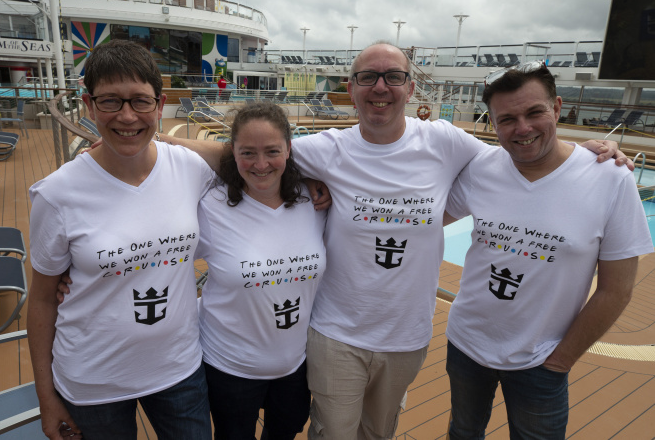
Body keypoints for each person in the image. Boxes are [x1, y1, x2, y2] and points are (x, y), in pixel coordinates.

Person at [158, 42, 631, 440]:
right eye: (367, 77)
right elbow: (246, 154)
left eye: (393, 76)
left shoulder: (448, 143)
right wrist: (154, 146)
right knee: (333, 431)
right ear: (351, 88)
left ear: (410, 87)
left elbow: (522, 151)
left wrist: (591, 154)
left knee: (378, 433)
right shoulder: (328, 149)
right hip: (335, 331)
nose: (380, 87)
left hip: (406, 337)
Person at [443, 62, 652, 439]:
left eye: (534, 112)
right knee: (463, 431)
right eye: (506, 119)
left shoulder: (609, 177)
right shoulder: (481, 168)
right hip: (466, 344)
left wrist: (560, 360)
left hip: (542, 360)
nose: (522, 128)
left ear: (556, 108)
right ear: (491, 124)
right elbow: (419, 218)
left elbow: (617, 289)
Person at [27, 40, 212, 440]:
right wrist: (47, 398)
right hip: (94, 383)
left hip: (178, 369)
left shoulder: (190, 169)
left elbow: (250, 157)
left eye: (141, 102)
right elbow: (41, 300)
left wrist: (166, 141)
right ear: (88, 105)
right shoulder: (57, 194)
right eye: (110, 102)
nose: (127, 116)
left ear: (160, 106)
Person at [197, 101, 326, 439]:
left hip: (294, 364)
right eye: (248, 153)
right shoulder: (210, 206)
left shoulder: (313, 202)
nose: (261, 164)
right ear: (231, 152)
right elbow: (160, 244)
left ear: (289, 150)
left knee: (288, 429)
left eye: (272, 151)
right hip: (229, 366)